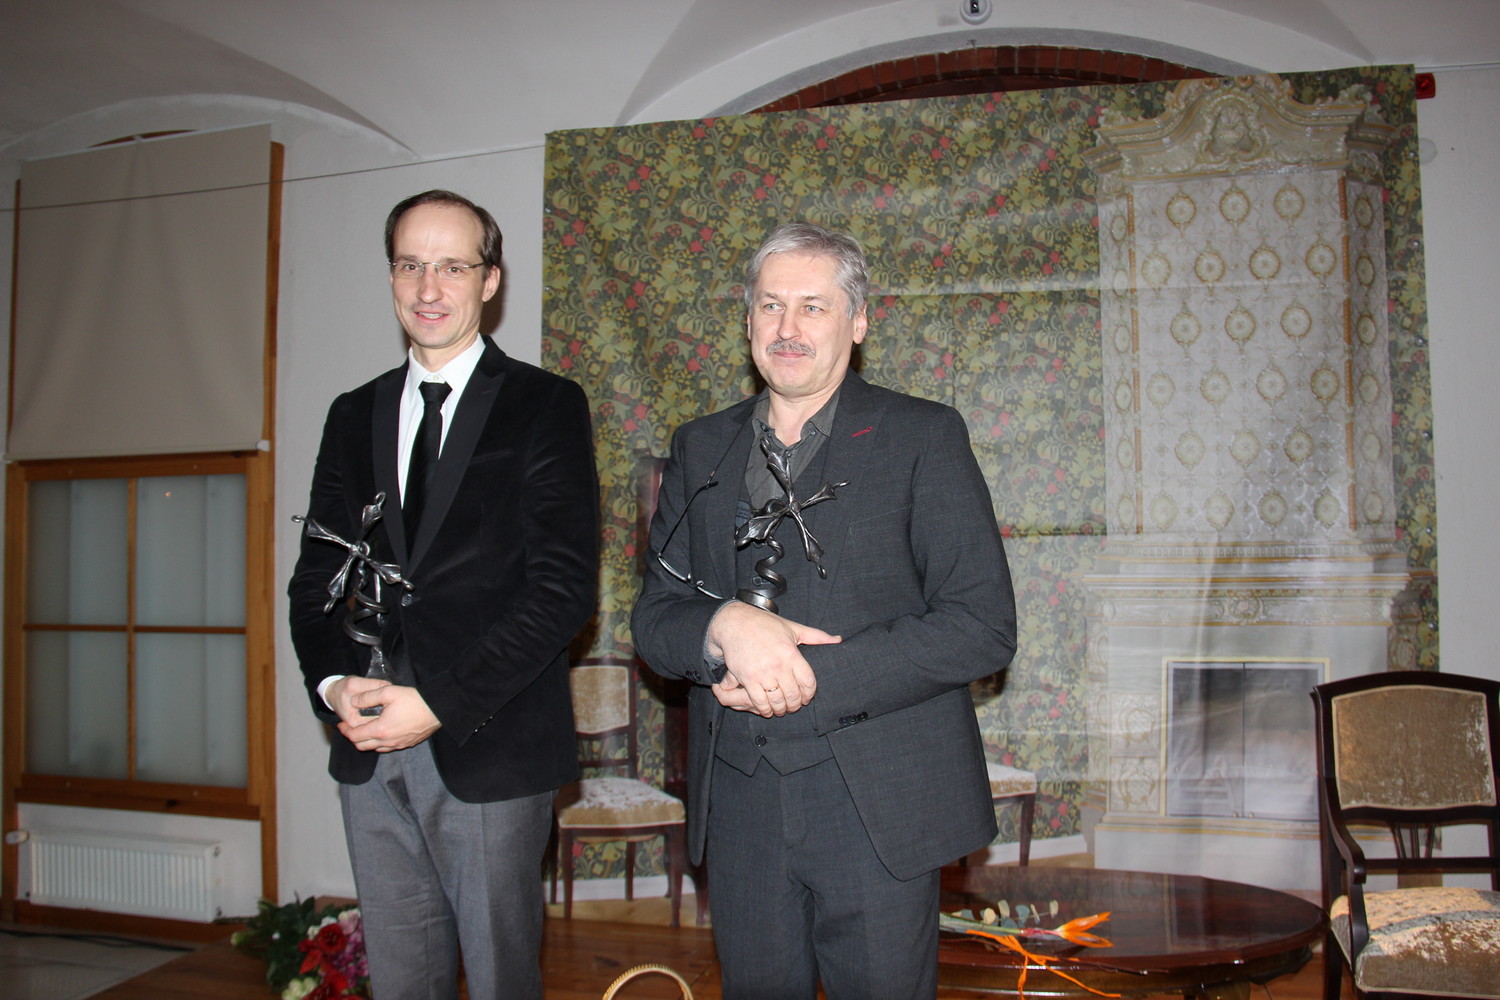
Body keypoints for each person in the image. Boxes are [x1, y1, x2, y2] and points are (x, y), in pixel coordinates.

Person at [631, 222, 1017, 999]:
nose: (788, 327)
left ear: (859, 320)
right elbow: (655, 618)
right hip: (739, 802)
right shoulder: (700, 447)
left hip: (878, 803)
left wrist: (804, 674)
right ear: (747, 320)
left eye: (813, 306)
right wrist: (723, 626)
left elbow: (982, 625)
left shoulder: (923, 435)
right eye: (770, 305)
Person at [288, 189, 599, 1000]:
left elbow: (563, 591)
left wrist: (438, 703)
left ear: (490, 280)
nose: (429, 288)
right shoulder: (351, 414)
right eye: (410, 265)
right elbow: (317, 578)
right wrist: (333, 684)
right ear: (391, 276)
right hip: (367, 747)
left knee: (499, 982)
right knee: (400, 983)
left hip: (489, 742)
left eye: (453, 267)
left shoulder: (545, 404)